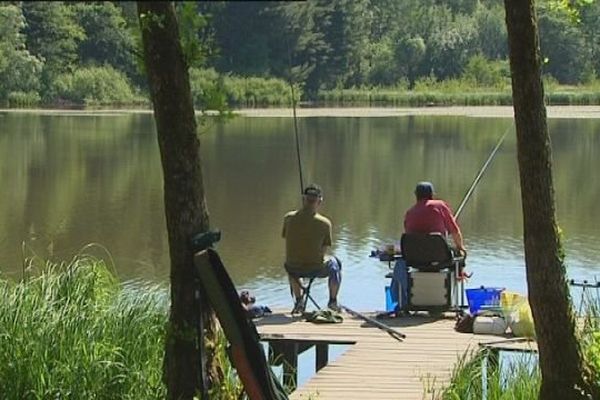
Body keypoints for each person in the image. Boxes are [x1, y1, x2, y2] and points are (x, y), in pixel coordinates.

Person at [390, 181, 466, 315]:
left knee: (400, 262)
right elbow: (455, 231)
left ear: (416, 196)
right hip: (440, 258)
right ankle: (453, 301)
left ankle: (405, 301)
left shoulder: (409, 212)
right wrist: (461, 248)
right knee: (459, 258)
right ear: (432, 195)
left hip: (414, 260)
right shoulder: (440, 205)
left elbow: (410, 236)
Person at [282, 183, 342, 314]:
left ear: (303, 199)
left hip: (293, 267)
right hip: (315, 268)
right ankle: (332, 302)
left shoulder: (288, 218)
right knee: (335, 263)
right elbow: (324, 250)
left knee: (292, 265)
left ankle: (299, 301)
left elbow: (287, 238)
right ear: (319, 201)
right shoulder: (325, 223)